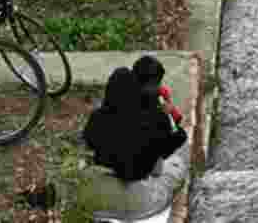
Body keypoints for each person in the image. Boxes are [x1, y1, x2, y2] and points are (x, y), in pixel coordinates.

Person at [80, 67, 188, 220]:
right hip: (140, 201)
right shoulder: (150, 120)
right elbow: (161, 162)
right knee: (176, 165)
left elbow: (89, 147)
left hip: (98, 198)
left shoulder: (97, 117)